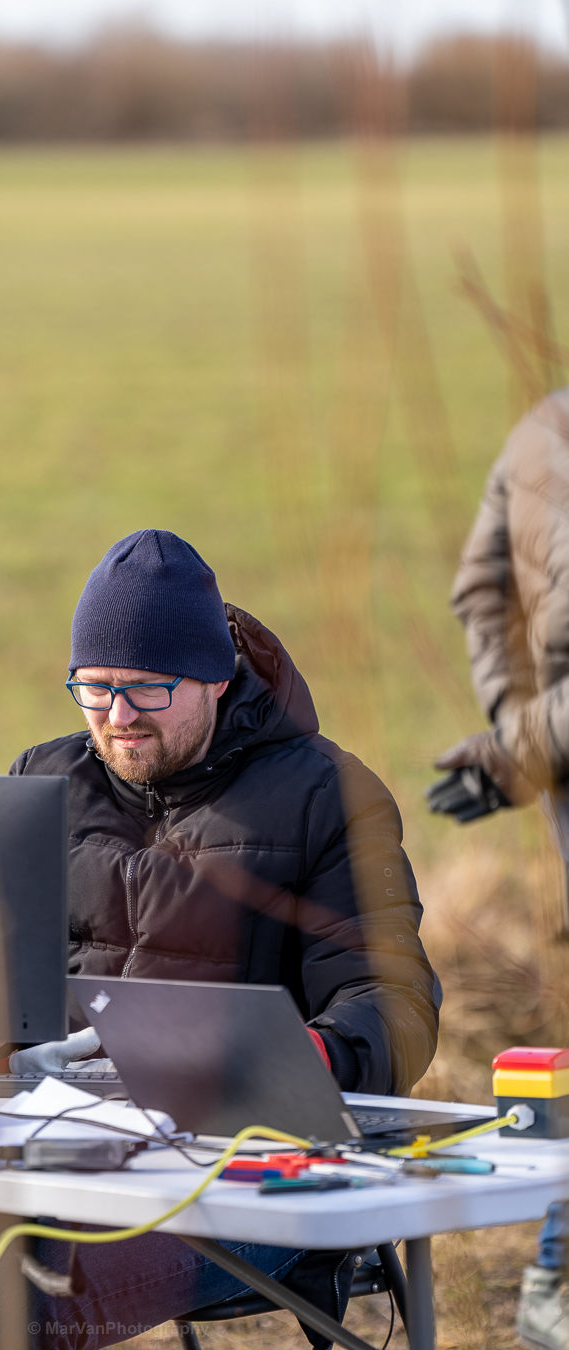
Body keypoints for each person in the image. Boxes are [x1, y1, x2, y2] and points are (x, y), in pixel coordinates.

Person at [0, 529, 440, 1350]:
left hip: (243, 1181)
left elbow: (396, 1001)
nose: (118, 717)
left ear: (217, 675)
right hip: (34, 1158)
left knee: (7, 1317)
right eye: (93, 691)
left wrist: (313, 1053)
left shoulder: (330, 796)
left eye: (147, 690)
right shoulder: (44, 781)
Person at [429, 390, 569, 1350]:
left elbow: (481, 589)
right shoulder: (539, 436)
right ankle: (556, 1286)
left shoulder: (540, 429)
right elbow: (484, 588)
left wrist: (521, 741)